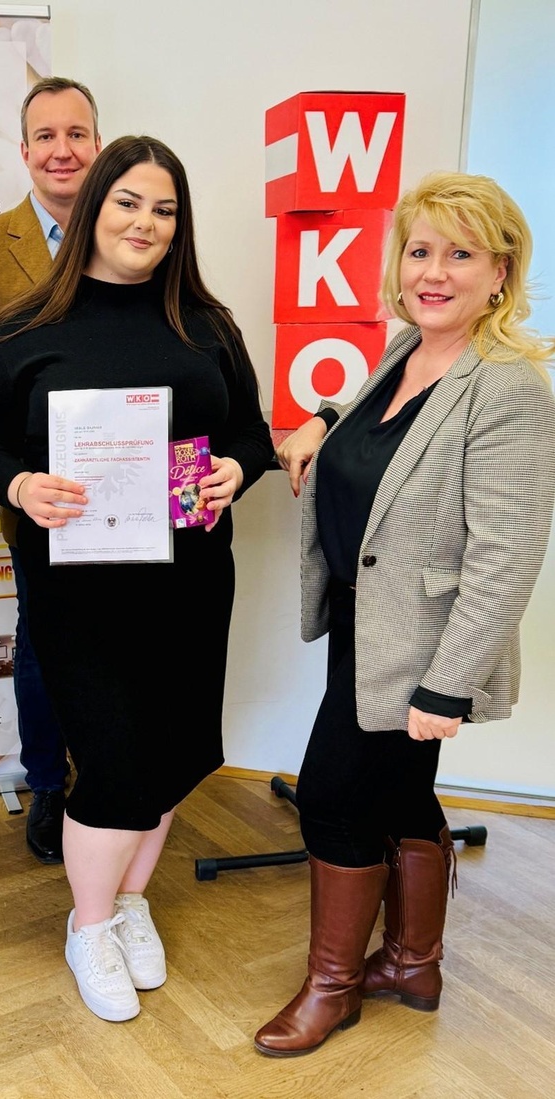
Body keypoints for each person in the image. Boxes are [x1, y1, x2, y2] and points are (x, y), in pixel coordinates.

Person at [0, 136, 273, 1021]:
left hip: (191, 581)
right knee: (110, 758)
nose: (146, 222)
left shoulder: (205, 323)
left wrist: (237, 471)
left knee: (170, 753)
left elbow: (249, 430)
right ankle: (88, 925)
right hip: (82, 590)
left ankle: (129, 903)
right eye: (129, 201)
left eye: (165, 209)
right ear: (93, 205)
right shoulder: (24, 328)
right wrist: (18, 483)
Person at [256, 171, 555, 1057]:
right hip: (363, 624)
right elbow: (376, 426)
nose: (434, 270)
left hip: (423, 650)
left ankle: (333, 986)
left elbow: (506, 557)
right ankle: (411, 964)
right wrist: (317, 417)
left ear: (498, 271)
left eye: (460, 253)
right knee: (399, 795)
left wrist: (446, 686)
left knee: (332, 800)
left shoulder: (508, 388)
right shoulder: (406, 348)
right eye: (420, 250)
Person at [0, 77, 102, 865]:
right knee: (39, 647)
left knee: (123, 647)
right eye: (46, 136)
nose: (62, 149)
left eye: (76, 134)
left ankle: (113, 778)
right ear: (24, 151)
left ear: (97, 145)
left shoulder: (134, 233)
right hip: (38, 502)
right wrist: (9, 474)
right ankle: (48, 782)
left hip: (133, 495)